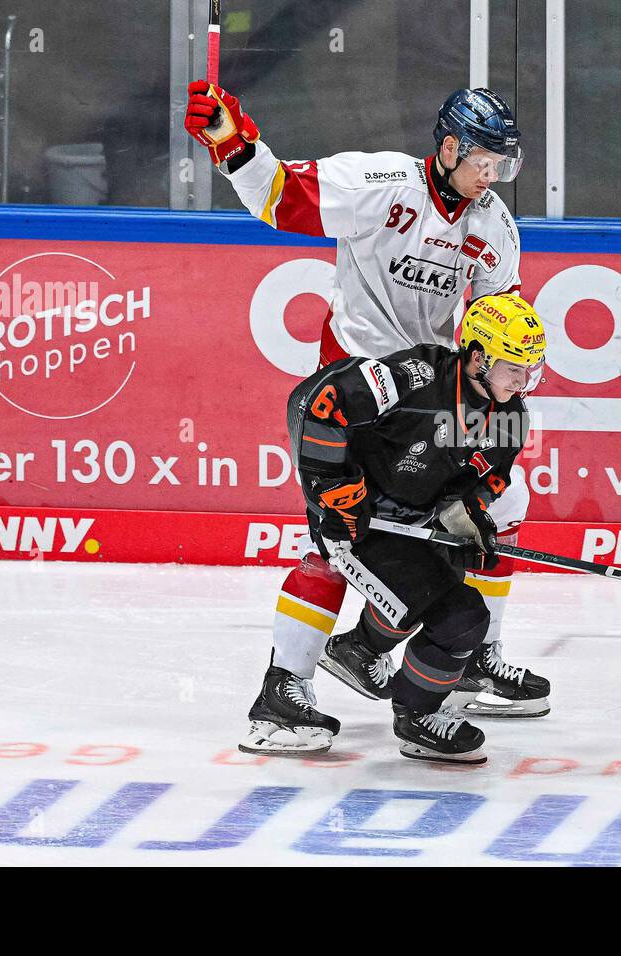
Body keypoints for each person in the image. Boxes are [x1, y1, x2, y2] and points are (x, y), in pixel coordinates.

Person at [183, 84, 550, 752]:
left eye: (504, 164)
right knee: (334, 536)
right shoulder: (379, 184)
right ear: (448, 147)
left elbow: (493, 331)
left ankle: (470, 658)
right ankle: (282, 690)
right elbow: (282, 198)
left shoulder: (493, 224)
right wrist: (234, 145)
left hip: (432, 405)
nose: (492, 175)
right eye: (483, 161)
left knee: (503, 500)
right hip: (355, 396)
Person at [244, 294, 546, 764]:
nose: (525, 380)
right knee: (410, 601)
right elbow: (316, 402)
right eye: (515, 367)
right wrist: (336, 494)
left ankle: (416, 714)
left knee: (465, 620)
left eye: (532, 368)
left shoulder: (510, 416)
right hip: (353, 521)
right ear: (479, 357)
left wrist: (468, 523)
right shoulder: (417, 377)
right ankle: (276, 706)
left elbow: (483, 483)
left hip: (403, 527)